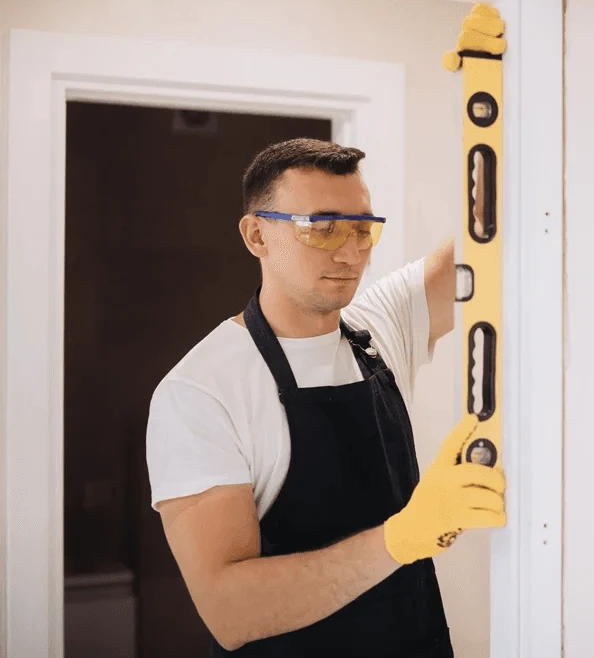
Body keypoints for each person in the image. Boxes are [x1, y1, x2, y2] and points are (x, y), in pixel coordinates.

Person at [145, 137, 505, 657]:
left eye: (362, 228)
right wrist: (401, 537)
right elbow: (229, 611)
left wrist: (494, 111)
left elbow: (489, 236)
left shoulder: (380, 327)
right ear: (256, 235)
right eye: (321, 228)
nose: (351, 251)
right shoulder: (200, 392)